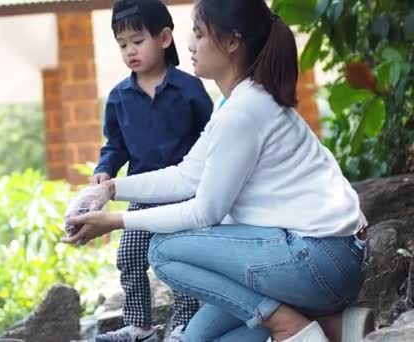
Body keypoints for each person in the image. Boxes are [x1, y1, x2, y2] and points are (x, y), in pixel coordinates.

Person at [63, 0, 373, 341]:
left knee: (163, 250)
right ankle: (338, 329)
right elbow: (185, 176)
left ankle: (284, 324)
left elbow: (204, 211)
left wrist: (115, 221)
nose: (190, 45)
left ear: (231, 42)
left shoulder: (244, 111)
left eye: (198, 34)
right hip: (322, 258)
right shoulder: (237, 104)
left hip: (320, 259)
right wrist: (108, 190)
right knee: (197, 338)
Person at [83, 0, 214, 340]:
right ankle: (140, 326)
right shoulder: (118, 98)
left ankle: (184, 325)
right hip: (142, 195)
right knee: (129, 256)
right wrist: (105, 169)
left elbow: (213, 137)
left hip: (185, 197)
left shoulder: (189, 89)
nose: (130, 51)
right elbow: (115, 144)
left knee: (179, 260)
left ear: (165, 38)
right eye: (122, 44)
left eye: (137, 41)